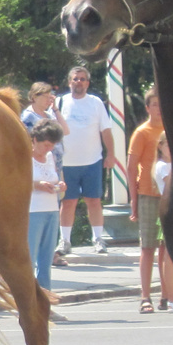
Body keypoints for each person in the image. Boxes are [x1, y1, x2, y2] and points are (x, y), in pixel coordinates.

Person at [57, 65, 117, 256]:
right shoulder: (59, 103)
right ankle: (65, 240)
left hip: (92, 161)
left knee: (94, 201)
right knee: (68, 202)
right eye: (75, 79)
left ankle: (98, 239)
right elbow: (51, 132)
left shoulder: (96, 103)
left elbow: (105, 131)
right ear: (69, 82)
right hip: (67, 163)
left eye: (83, 79)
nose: (79, 82)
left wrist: (111, 154)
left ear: (88, 83)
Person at [126, 87, 168, 313]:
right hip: (148, 195)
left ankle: (167, 293)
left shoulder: (171, 129)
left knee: (167, 248)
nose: (159, 110)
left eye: (162, 105)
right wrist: (134, 200)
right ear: (147, 108)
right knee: (148, 247)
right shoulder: (142, 132)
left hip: (168, 195)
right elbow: (131, 168)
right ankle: (145, 296)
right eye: (154, 105)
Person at [28, 120, 65, 300]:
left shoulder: (50, 157)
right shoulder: (24, 156)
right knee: (30, 257)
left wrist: (60, 185)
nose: (49, 149)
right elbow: (15, 182)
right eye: (46, 145)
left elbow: (55, 177)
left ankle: (45, 301)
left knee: (46, 259)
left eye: (52, 145)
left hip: (51, 210)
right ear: (35, 140)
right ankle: (28, 301)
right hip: (32, 211)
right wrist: (37, 185)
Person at [152, 133, 173, 310]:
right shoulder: (162, 167)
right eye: (167, 144)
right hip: (171, 212)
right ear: (160, 146)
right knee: (170, 255)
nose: (171, 147)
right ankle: (172, 299)